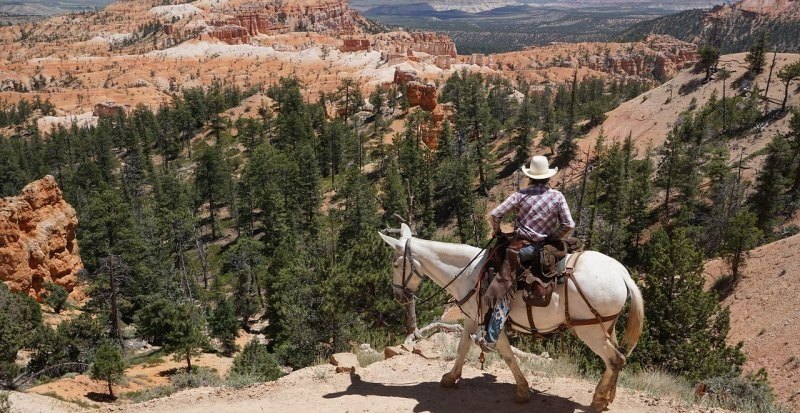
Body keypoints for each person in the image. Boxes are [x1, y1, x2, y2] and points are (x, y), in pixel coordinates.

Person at [475, 155, 575, 351]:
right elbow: (569, 225)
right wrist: (552, 237)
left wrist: (497, 231)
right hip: (546, 247)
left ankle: (492, 336)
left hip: (523, 248)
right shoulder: (557, 196)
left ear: (530, 176)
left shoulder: (520, 195)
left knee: (504, 282)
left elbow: (495, 214)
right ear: (548, 177)